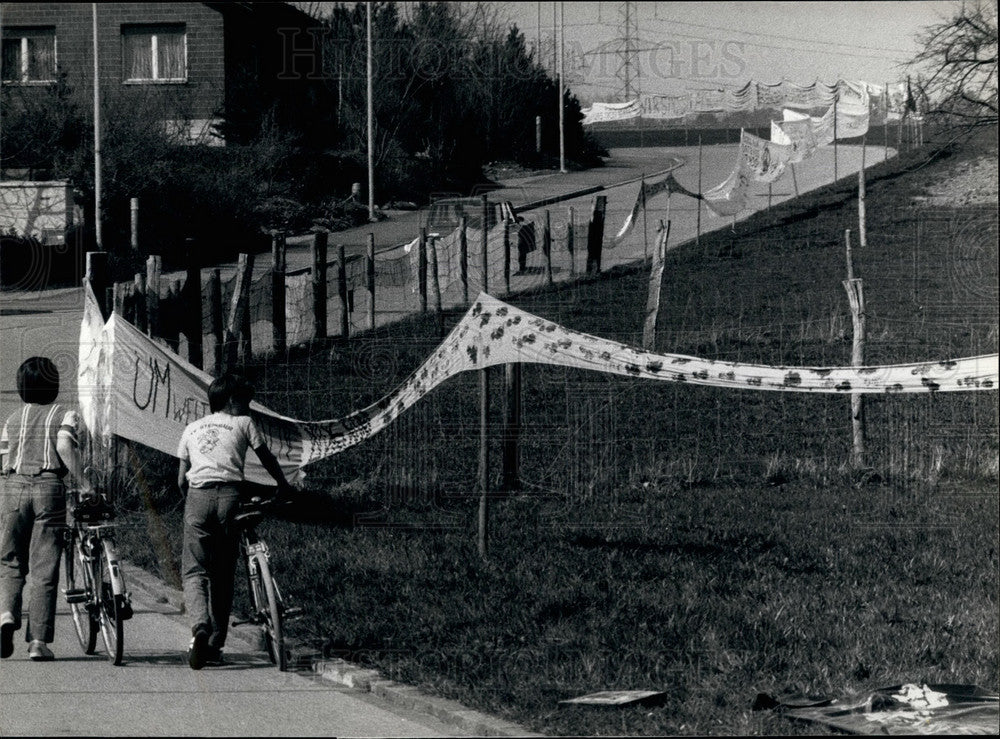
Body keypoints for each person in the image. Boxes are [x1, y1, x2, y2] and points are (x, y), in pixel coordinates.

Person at [176, 373, 294, 669]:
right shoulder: (243, 423)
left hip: (198, 496)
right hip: (230, 496)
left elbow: (181, 479)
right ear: (231, 400)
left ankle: (199, 627)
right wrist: (282, 484)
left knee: (194, 570)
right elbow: (266, 457)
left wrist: (192, 502)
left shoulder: (191, 428)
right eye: (245, 401)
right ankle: (215, 644)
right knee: (223, 572)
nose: (248, 407)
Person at [1, 356, 93, 661]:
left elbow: (3, 459)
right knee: (45, 566)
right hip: (48, 486)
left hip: (13, 486)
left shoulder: (12, 419)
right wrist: (84, 482)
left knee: (11, 560)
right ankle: (38, 642)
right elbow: (65, 446)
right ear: (54, 385)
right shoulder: (64, 414)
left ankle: (6, 614)